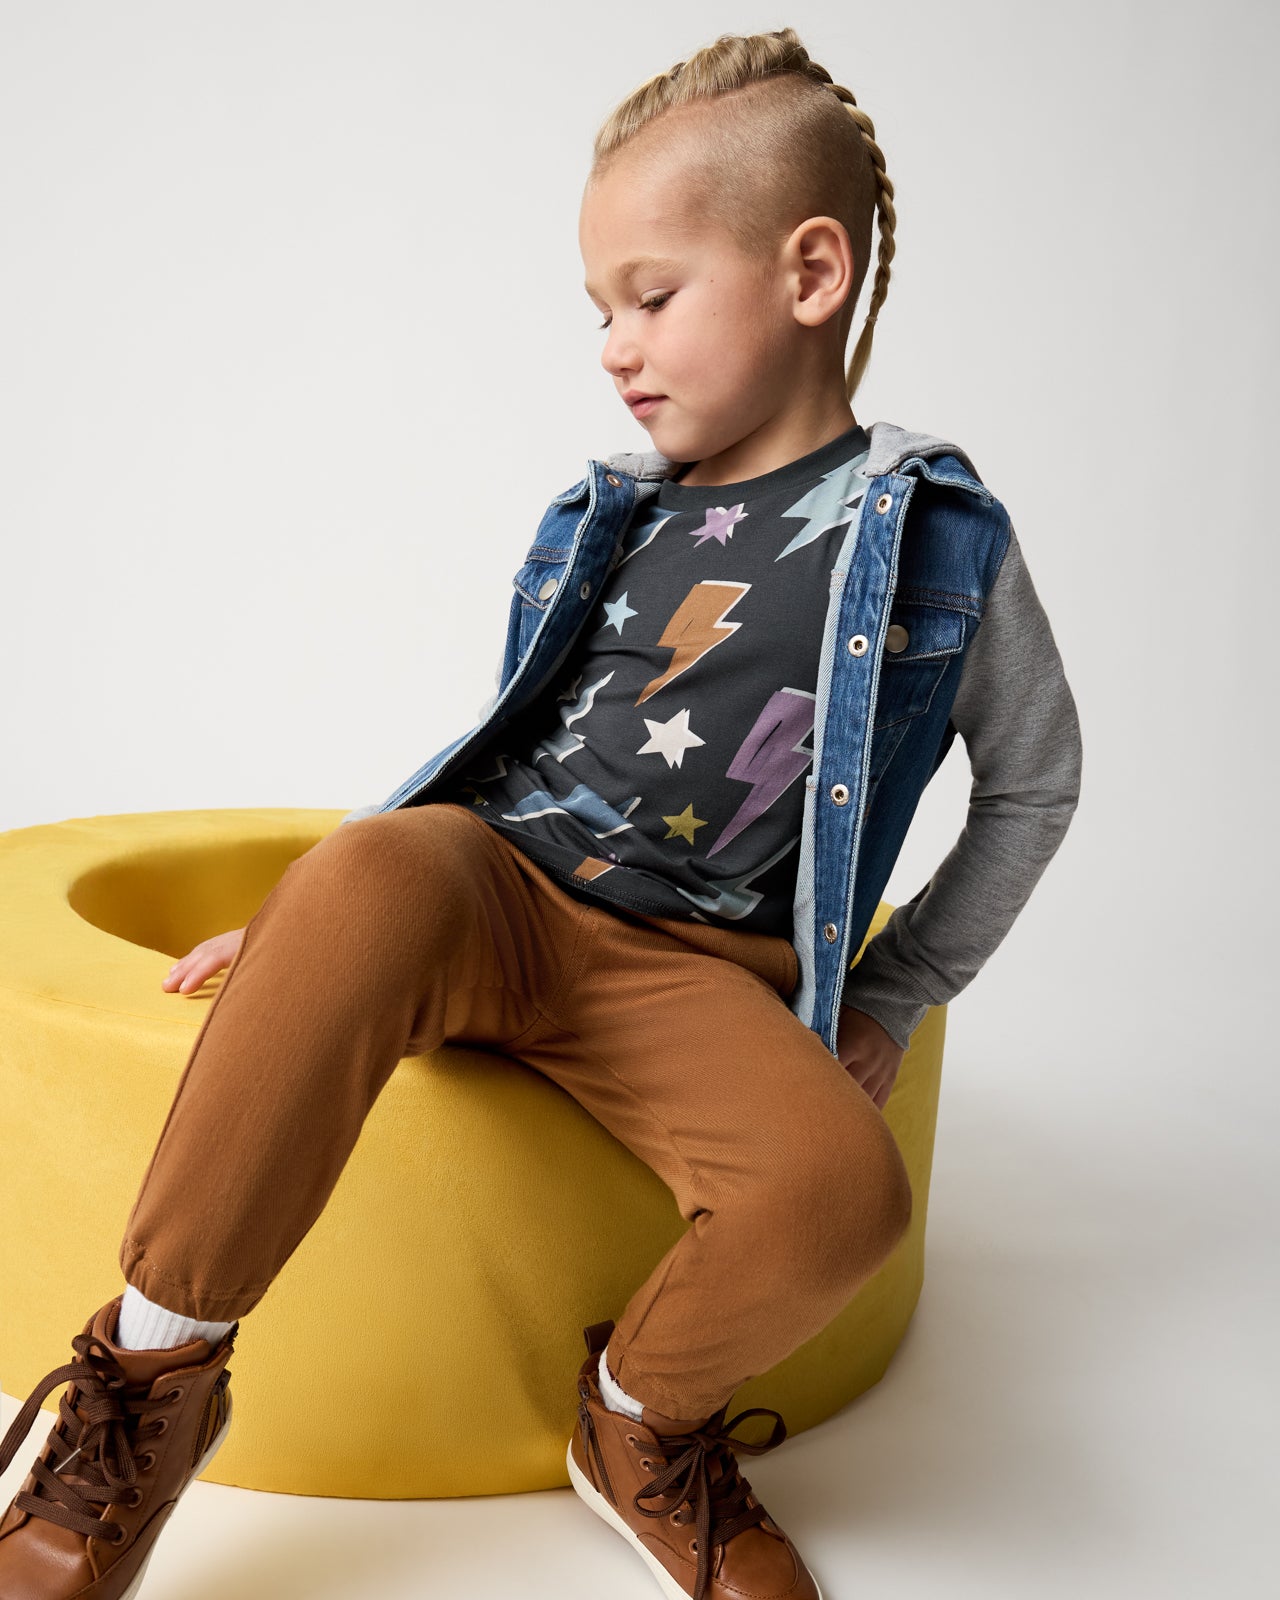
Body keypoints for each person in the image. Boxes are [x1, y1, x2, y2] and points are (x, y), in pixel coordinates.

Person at [0, 25, 1082, 1600]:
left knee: (846, 1192)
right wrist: (311, 929)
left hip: (694, 978)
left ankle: (637, 1419)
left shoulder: (940, 542)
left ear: (811, 273)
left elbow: (1036, 782)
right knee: (374, 870)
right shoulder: (612, 511)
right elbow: (497, 752)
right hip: (502, 890)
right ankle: (145, 1392)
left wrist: (898, 995)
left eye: (652, 296)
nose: (614, 347)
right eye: (599, 311)